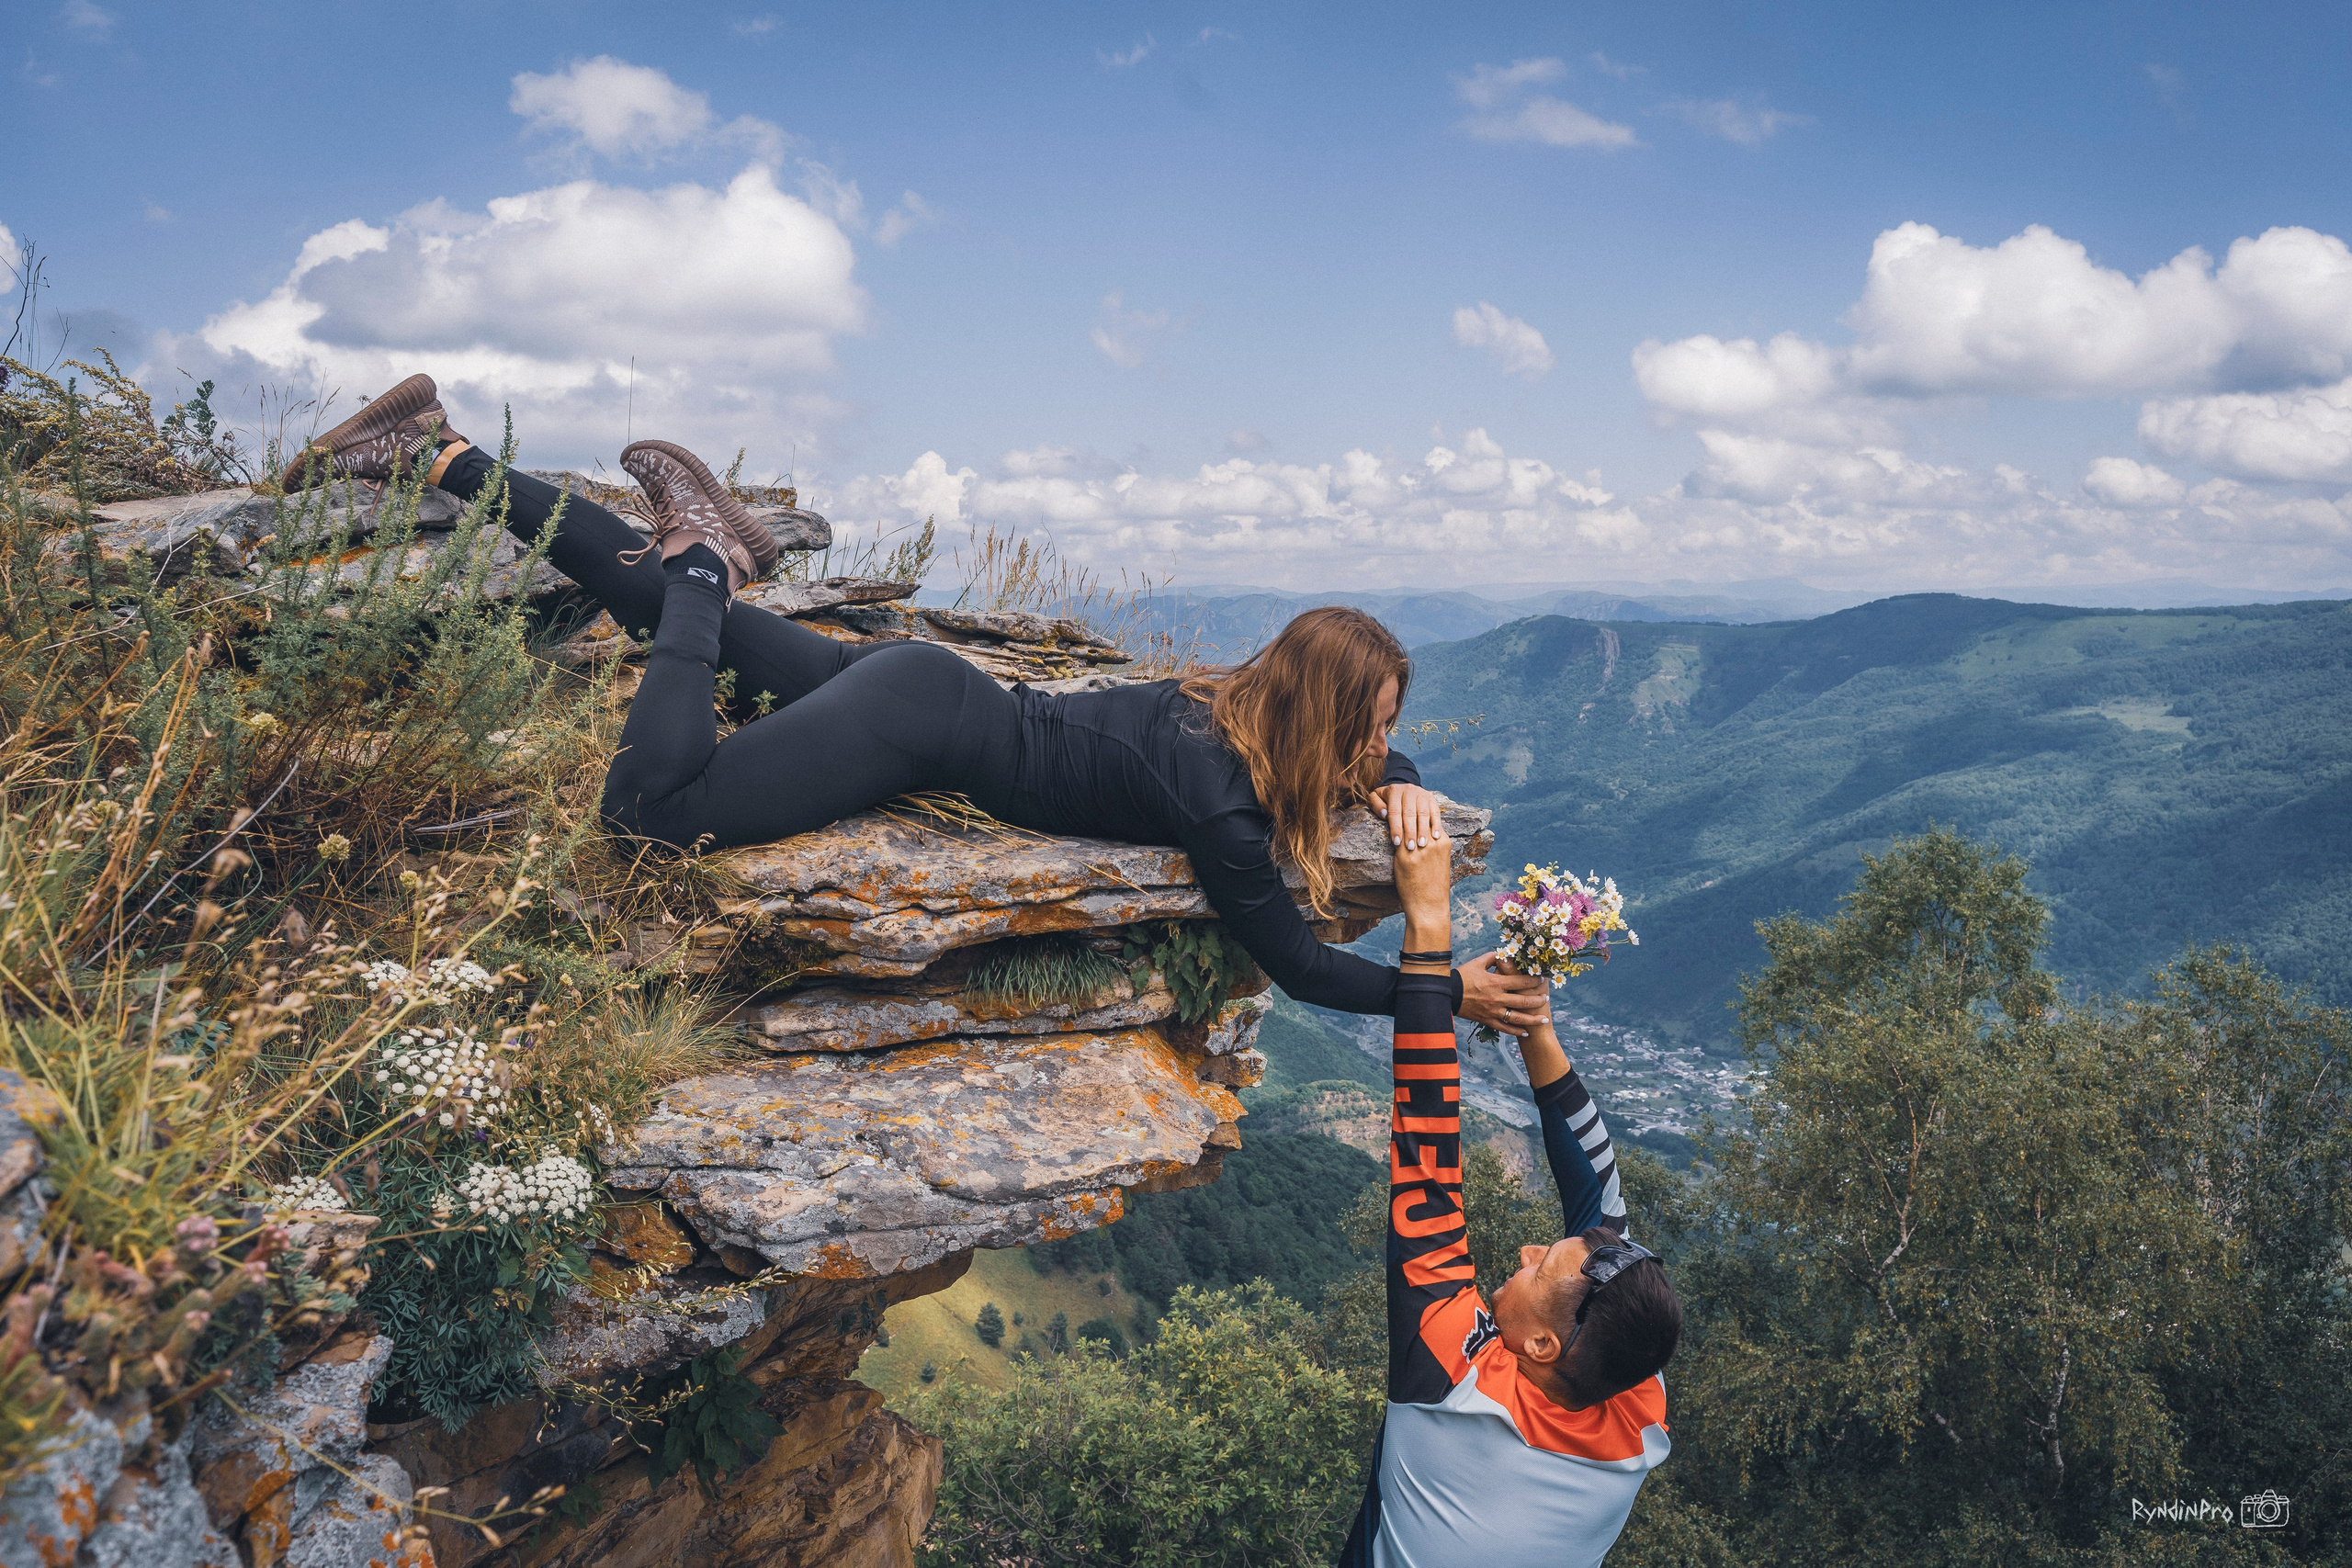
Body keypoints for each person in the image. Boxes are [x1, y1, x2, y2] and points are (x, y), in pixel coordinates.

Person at [280, 374, 1553, 1031]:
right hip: (912, 720)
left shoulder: (1230, 708)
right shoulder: (1223, 805)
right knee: (652, 811)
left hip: (926, 693)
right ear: (1320, 712)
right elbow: (1302, 962)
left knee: (664, 628)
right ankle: (699, 553)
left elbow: (1345, 775)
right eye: (1371, 722)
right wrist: (1450, 991)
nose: (1381, 745)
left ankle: (435, 451)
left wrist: (1394, 776)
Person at [1338, 826, 1680, 1567]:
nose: (1525, 1251)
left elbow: (1424, 1165)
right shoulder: (1633, 1403)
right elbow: (1602, 1211)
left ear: (1543, 1345)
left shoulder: (1456, 1388)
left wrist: (1428, 921)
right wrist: (1536, 1029)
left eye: (1537, 1265)